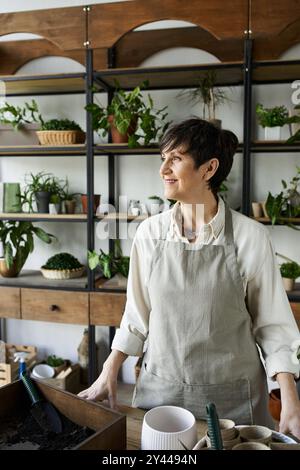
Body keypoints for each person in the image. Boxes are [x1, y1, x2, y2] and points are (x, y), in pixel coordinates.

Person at [79, 118, 300, 437]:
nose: (163, 169)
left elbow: (273, 326)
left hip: (232, 404)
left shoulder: (250, 237)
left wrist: (290, 399)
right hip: (161, 396)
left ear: (209, 169)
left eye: (176, 159)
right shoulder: (149, 233)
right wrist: (109, 369)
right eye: (162, 159)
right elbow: (137, 315)